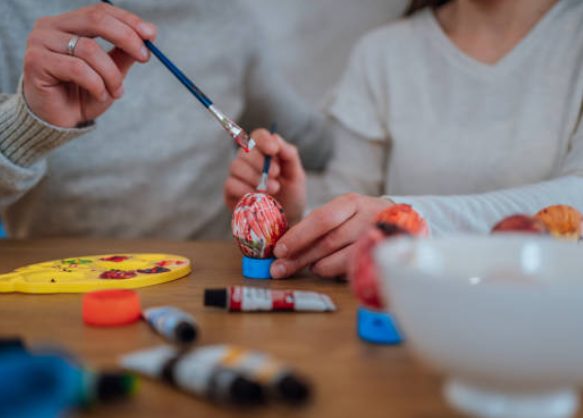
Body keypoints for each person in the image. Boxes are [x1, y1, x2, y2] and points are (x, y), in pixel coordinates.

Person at [225, 0, 583, 279]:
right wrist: (299, 218)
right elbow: (350, 206)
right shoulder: (382, 54)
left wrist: (406, 220)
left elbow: (576, 201)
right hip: (404, 327)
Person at [0, 0, 331, 239]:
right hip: (57, 289)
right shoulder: (12, 16)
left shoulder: (226, 18)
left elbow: (318, 144)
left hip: (203, 284)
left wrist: (282, 169)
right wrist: (27, 127)